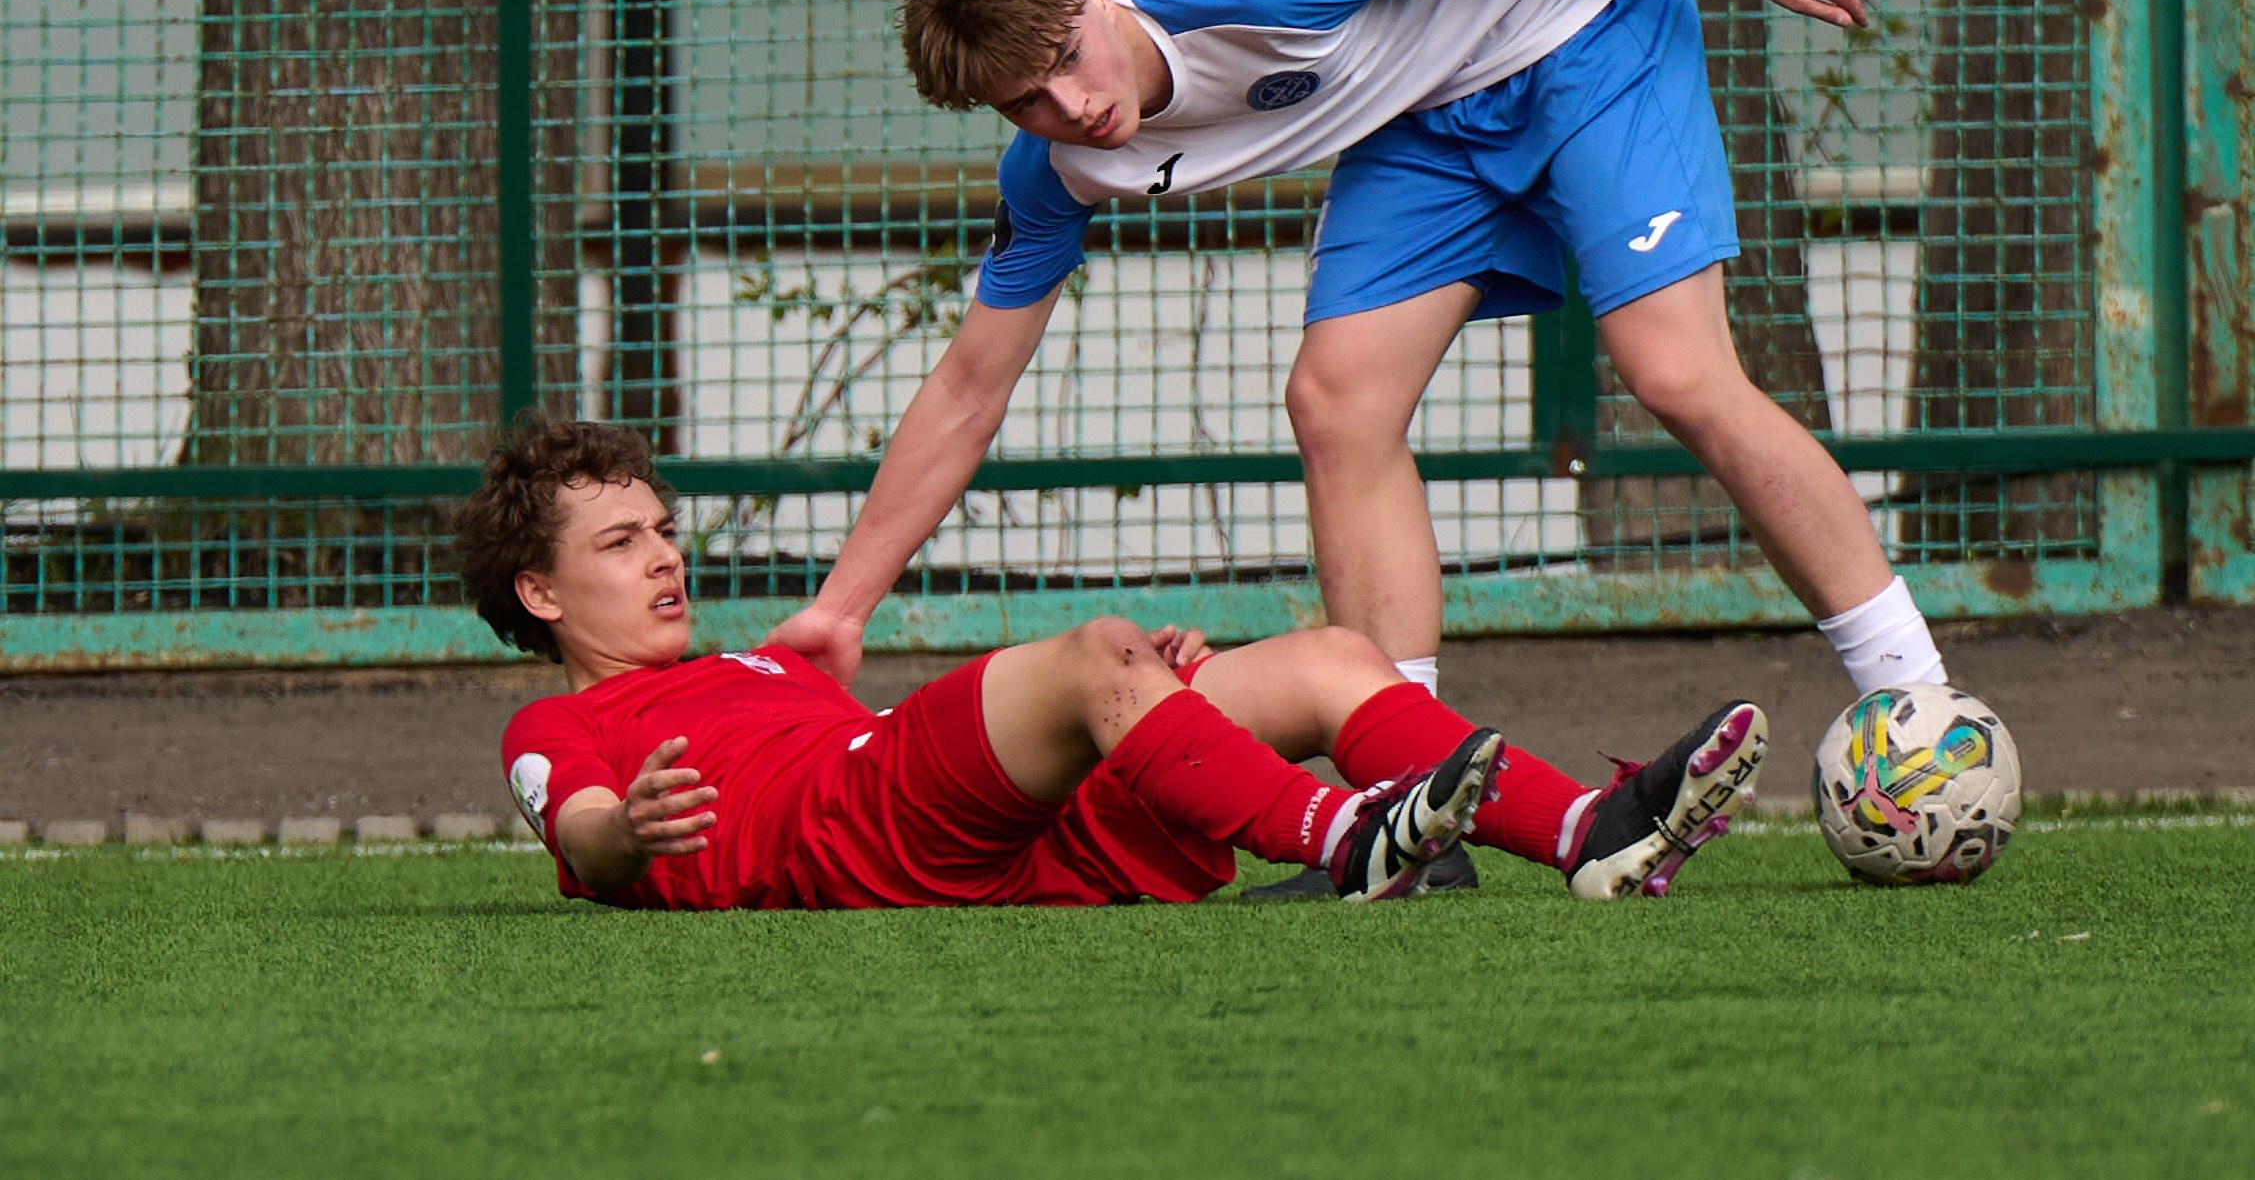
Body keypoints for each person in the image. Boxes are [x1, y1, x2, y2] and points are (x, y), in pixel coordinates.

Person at [772, 0, 1946, 894]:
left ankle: (1919, 703)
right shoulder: (1058, 171)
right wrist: (842, 605)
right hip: (1427, 106)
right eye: (1024, 99)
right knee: (1336, 401)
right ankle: (1420, 804)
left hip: (1585, 26)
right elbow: (970, 386)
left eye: (1066, 58)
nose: (1074, 104)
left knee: (1675, 373)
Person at [462, 415, 1768, 910]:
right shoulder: (552, 721)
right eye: (621, 542)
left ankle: (1590, 833)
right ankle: (1342, 835)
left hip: (976, 841)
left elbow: (966, 750)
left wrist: (1147, 697)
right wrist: (628, 832)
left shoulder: (766, 667)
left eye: (664, 530)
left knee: (1325, 655)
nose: (661, 558)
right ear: (537, 589)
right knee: (1092, 651)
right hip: (864, 832)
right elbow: (582, 830)